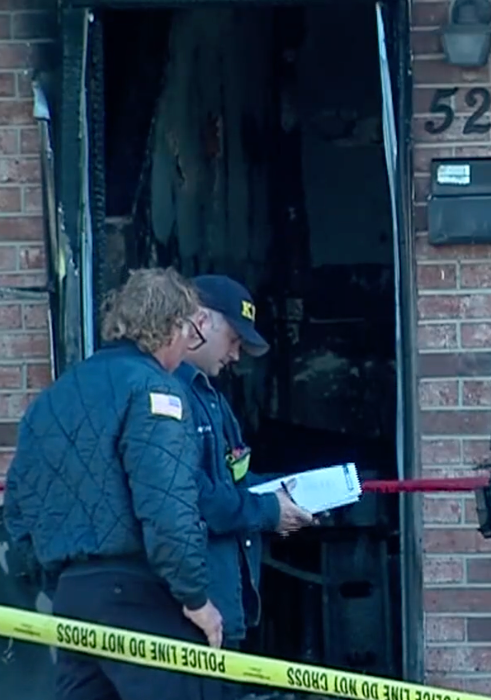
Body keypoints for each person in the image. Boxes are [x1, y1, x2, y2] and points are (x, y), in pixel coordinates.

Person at [4, 268, 223, 700]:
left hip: (73, 597)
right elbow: (167, 507)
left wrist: (57, 582)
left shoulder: (53, 397)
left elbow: (18, 506)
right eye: (189, 331)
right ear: (172, 327)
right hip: (140, 596)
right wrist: (196, 598)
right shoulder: (156, 391)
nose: (187, 346)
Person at [174, 275, 314, 676]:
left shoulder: (213, 401)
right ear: (202, 321)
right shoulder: (167, 395)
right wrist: (270, 511)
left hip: (222, 602)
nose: (236, 355)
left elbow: (234, 482)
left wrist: (291, 497)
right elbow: (198, 495)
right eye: (234, 339)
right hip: (192, 608)